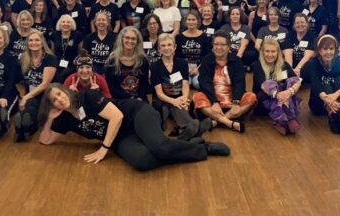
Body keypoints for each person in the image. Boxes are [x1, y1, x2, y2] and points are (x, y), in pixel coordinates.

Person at [36, 83, 229, 171]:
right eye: (55, 100)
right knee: (143, 162)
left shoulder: (88, 97)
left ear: (66, 91)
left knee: (159, 146)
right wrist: (50, 119)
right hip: (120, 137)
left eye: (60, 94)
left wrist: (104, 149)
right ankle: (184, 142)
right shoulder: (63, 119)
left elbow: (117, 116)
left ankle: (203, 149)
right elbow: (45, 140)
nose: (60, 100)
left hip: (135, 115)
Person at [249, 37, 303, 135]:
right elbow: (263, 86)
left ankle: (282, 123)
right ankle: (290, 119)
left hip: (282, 99)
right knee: (272, 84)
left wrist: (288, 92)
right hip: (263, 103)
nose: (270, 54)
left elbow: (297, 81)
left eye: (273, 51)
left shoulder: (284, 64)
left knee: (289, 82)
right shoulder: (257, 65)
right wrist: (277, 95)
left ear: (278, 52)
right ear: (262, 52)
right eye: (267, 51)